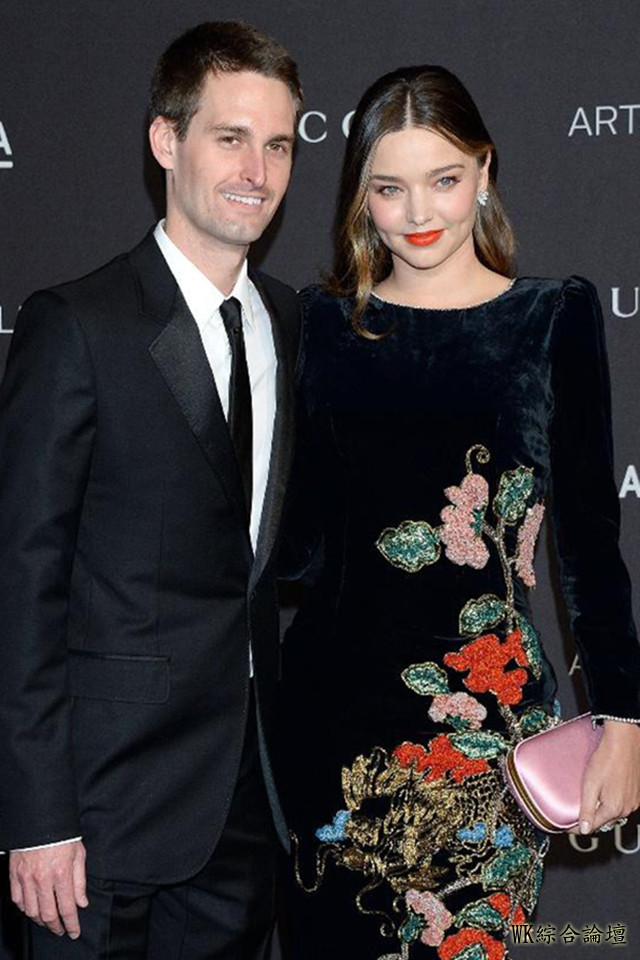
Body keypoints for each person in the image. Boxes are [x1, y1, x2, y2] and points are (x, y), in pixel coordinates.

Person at [277, 65, 640, 960]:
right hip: (330, 741)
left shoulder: (551, 319)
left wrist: (626, 721)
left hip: (487, 742)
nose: (417, 212)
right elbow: (297, 548)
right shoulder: (322, 327)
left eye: (442, 178)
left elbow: (590, 546)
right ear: (361, 197)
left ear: (484, 170)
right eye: (389, 188)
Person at [0, 20, 302, 960]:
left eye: (279, 144)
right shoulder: (78, 325)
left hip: (244, 812)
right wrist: (37, 816)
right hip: (98, 817)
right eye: (230, 137)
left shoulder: (292, 322)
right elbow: (21, 583)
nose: (257, 170)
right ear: (166, 141)